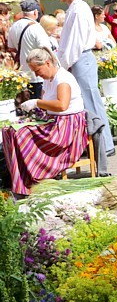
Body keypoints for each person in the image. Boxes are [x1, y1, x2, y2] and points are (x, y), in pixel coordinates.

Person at [2, 47, 88, 195]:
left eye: (37, 70)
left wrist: (37, 103)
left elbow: (62, 105)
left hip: (67, 127)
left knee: (23, 136)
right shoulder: (48, 80)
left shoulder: (63, 79)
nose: (36, 74)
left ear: (47, 63)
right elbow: (46, 103)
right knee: (9, 131)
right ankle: (22, 181)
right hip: (55, 121)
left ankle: (34, 180)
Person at [53, 0, 114, 154]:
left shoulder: (79, 9)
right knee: (86, 103)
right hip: (78, 60)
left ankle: (105, 144)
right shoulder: (74, 8)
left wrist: (64, 64)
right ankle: (100, 144)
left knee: (91, 103)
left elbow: (76, 42)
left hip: (81, 59)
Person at [7, 0, 54, 99]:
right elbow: (47, 50)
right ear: (36, 12)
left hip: (22, 76)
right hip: (38, 75)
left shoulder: (13, 26)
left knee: (26, 107)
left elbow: (12, 49)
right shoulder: (36, 27)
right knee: (39, 107)